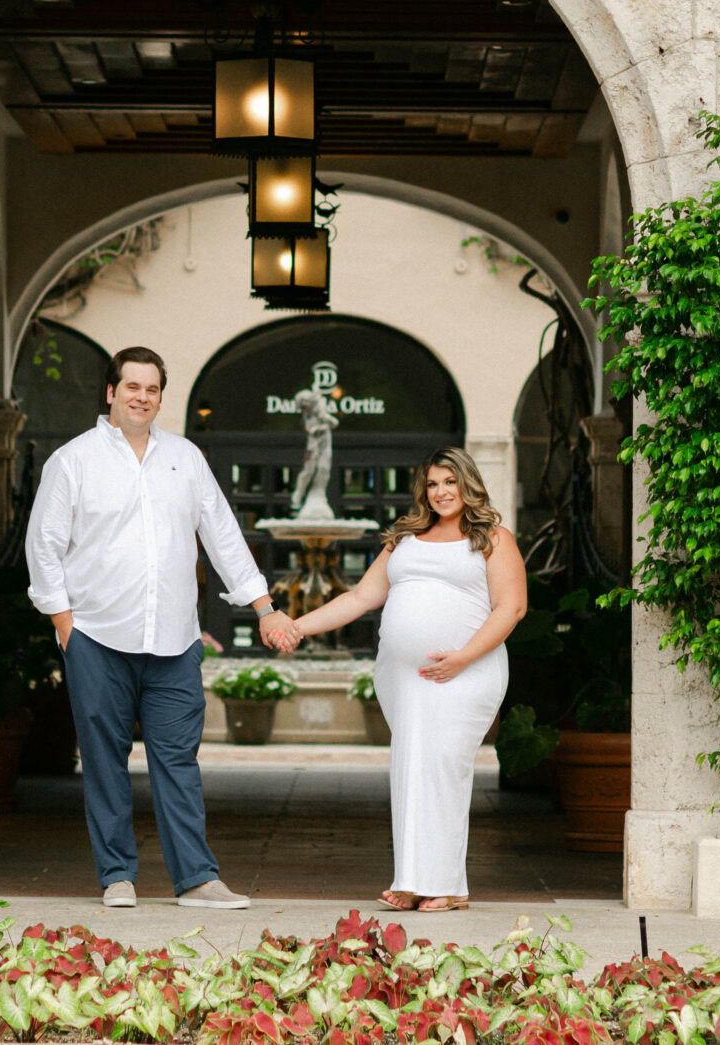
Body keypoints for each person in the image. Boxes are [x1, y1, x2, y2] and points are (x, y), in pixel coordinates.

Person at [26, 345, 297, 909]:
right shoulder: (73, 461)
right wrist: (65, 625)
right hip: (96, 636)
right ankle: (117, 875)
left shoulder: (185, 458)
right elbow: (44, 548)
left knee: (178, 759)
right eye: (132, 387)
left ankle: (197, 878)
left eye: (152, 389)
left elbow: (222, 533)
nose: (142, 398)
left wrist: (263, 606)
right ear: (111, 392)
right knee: (103, 759)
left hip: (174, 639)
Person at [282, 449, 526, 912]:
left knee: (444, 767)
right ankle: (412, 878)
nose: (441, 492)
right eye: (433, 484)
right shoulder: (405, 539)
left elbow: (511, 608)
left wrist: (462, 657)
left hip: (466, 671)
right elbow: (359, 597)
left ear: (468, 484)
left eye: (450, 482)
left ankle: (450, 885)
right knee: (411, 769)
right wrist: (298, 626)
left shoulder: (493, 538)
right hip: (404, 677)